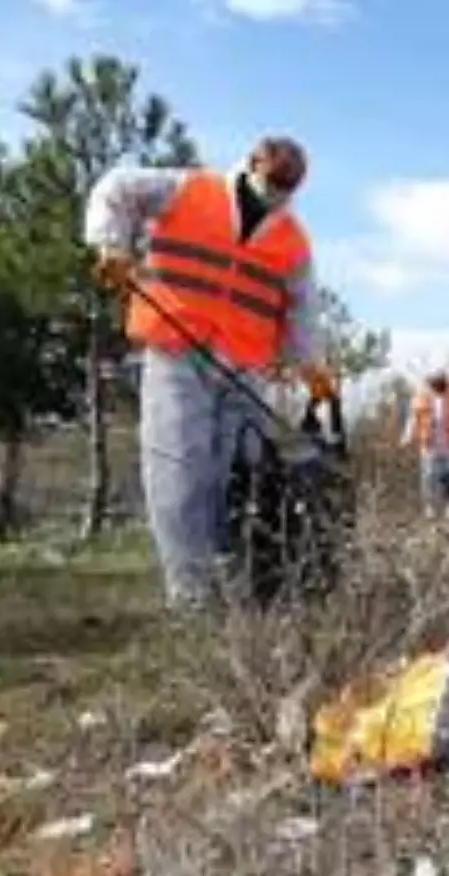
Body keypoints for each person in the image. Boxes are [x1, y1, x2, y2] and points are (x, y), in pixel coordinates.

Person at [84, 135, 337, 610]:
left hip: (245, 367)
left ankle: (233, 581)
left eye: (288, 189)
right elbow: (115, 187)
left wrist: (312, 367)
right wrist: (111, 245)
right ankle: (191, 599)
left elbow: (303, 309)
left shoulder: (293, 239)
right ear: (253, 161)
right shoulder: (187, 189)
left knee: (235, 475)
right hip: (178, 348)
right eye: (274, 182)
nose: (278, 195)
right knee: (179, 470)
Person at [401, 367, 449, 518]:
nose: (436, 386)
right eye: (433, 382)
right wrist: (407, 435)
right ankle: (429, 506)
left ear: (445, 380)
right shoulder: (421, 394)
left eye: (439, 382)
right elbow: (413, 417)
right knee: (428, 475)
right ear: (429, 382)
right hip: (429, 441)